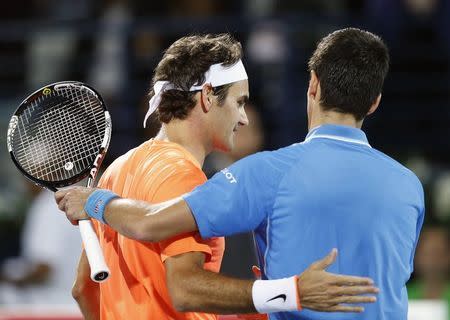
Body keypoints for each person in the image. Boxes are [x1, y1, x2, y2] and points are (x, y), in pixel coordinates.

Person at [56, 32, 384, 319]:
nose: (243, 119)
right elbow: (184, 290)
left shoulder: (117, 170)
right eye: (239, 102)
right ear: (207, 96)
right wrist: (290, 291)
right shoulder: (180, 174)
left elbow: (83, 290)